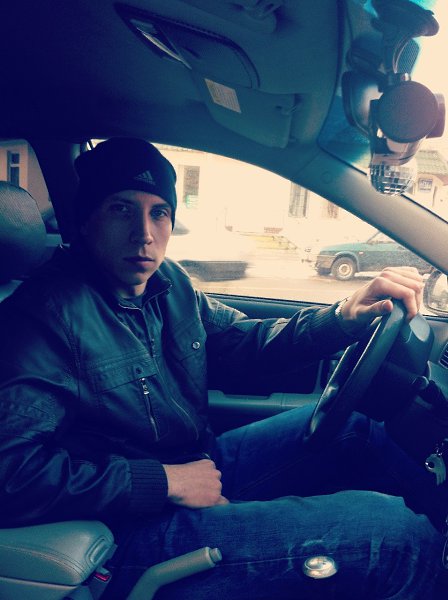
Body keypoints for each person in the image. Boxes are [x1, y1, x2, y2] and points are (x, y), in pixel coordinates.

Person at [0, 137, 446, 599]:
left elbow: (242, 343)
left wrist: (341, 318)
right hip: (123, 532)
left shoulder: (166, 283)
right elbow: (9, 473)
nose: (144, 233)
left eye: (159, 213)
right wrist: (162, 482)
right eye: (121, 209)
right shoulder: (41, 320)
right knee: (395, 540)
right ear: (87, 220)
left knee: (359, 427)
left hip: (196, 466)